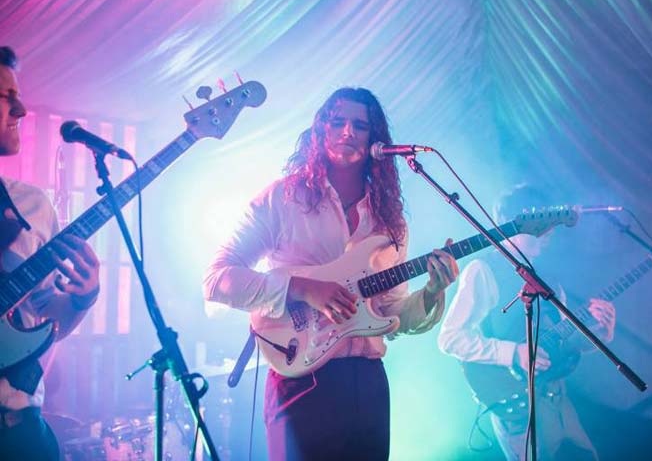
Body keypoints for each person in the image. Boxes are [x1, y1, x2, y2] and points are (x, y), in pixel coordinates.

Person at [203, 87, 459, 460]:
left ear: (375, 139)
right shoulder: (282, 199)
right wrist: (302, 288)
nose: (348, 132)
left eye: (360, 125)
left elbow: (392, 313)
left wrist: (433, 291)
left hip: (367, 382)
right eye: (337, 122)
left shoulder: (391, 220)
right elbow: (217, 279)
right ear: (320, 130)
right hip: (300, 378)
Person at [438, 184, 616, 461]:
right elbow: (450, 338)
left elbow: (563, 341)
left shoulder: (548, 276)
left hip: (557, 396)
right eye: (543, 221)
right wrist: (513, 353)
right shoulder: (483, 269)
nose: (550, 231)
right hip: (517, 404)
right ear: (517, 224)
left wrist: (600, 335)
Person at [0, 46, 100, 461]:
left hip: (20, 429)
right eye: (6, 97)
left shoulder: (34, 206)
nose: (21, 110)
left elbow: (45, 321)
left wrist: (82, 299)